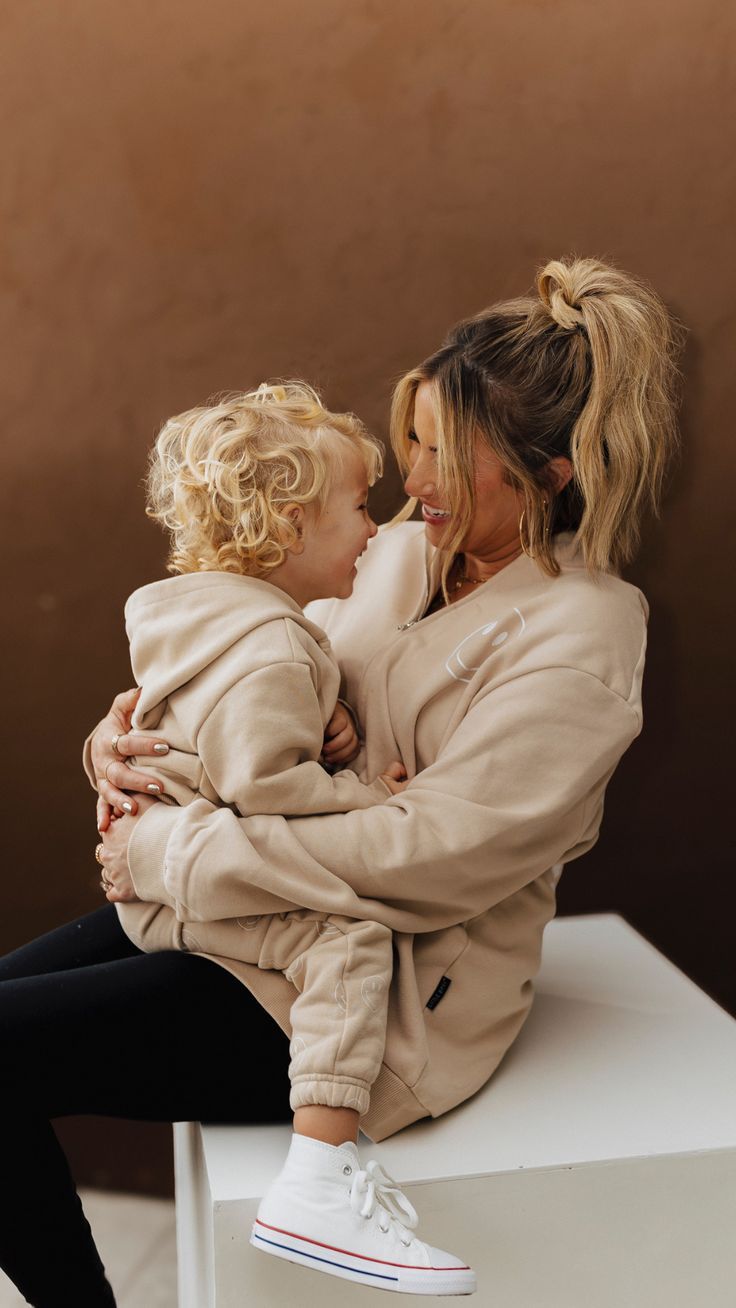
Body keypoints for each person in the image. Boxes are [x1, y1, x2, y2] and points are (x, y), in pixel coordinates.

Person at [0, 256, 681, 1307]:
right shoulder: (397, 553)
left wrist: (173, 849)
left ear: (549, 475)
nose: (414, 479)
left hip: (380, 988)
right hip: (260, 907)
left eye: (449, 454)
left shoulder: (586, 636)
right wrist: (120, 737)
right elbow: (253, 686)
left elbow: (432, 860)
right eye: (412, 438)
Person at [94, 378, 474, 1293]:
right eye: (357, 508)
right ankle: (318, 1176)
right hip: (183, 883)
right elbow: (264, 789)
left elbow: (202, 729)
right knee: (348, 940)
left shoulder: (209, 619)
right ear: (290, 529)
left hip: (162, 871)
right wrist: (365, 802)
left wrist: (328, 718)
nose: (376, 526)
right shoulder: (269, 648)